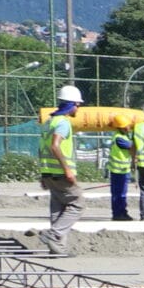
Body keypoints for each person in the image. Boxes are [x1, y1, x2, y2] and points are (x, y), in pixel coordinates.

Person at [40, 85, 85, 255]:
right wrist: (67, 169)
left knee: (58, 207)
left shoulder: (48, 122)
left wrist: (42, 173)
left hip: (48, 172)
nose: (78, 108)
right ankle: (54, 234)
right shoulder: (63, 122)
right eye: (77, 105)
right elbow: (54, 145)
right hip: (60, 173)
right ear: (71, 104)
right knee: (77, 204)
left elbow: (41, 148)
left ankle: (57, 248)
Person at [107, 122, 134, 222]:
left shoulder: (122, 136)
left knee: (121, 193)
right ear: (120, 127)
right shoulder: (119, 138)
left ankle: (122, 212)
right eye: (126, 126)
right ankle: (118, 213)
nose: (128, 127)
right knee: (119, 194)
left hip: (122, 170)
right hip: (119, 170)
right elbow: (132, 146)